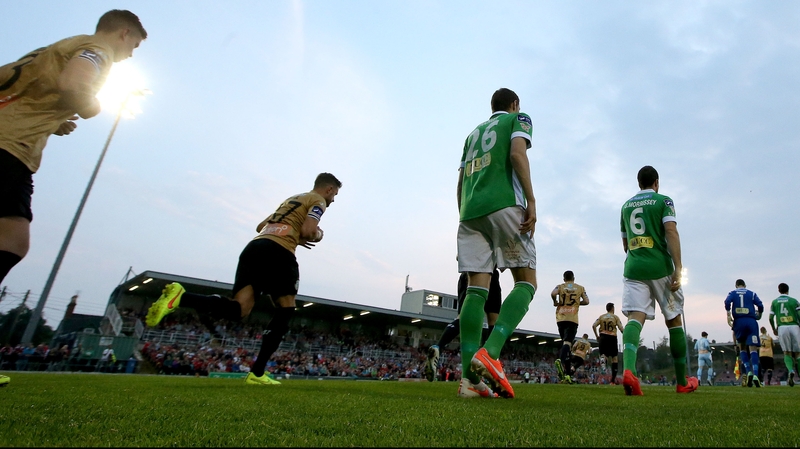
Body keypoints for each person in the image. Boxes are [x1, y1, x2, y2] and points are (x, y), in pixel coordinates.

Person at [146, 173, 342, 386]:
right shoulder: (318, 200)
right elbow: (309, 230)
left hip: (254, 248)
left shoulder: (292, 199)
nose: (333, 200)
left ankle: (182, 297)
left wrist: (296, 233)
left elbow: (261, 226)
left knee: (239, 309)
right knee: (286, 308)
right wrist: (317, 235)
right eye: (334, 195)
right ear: (329, 189)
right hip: (279, 252)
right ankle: (257, 373)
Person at [0, 10, 147, 287]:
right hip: (10, 148)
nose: (131, 54)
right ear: (124, 33)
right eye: (134, 46)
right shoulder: (98, 50)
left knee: (11, 233)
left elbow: (20, 88)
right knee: (12, 240)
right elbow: (73, 84)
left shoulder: (57, 47)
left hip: (9, 137)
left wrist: (53, 121)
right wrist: (92, 106)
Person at [455, 88, 537, 399]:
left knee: (476, 290)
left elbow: (461, 181)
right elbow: (517, 154)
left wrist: (464, 214)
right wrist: (531, 200)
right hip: (504, 205)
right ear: (514, 105)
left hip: (469, 212)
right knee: (526, 281)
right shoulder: (519, 119)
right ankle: (491, 351)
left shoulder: (472, 135)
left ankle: (468, 381)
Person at [619, 165, 698, 396]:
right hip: (660, 267)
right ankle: (682, 382)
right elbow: (671, 231)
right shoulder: (664, 201)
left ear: (638, 183)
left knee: (635, 318)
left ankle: (629, 372)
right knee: (673, 319)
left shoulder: (625, 206)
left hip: (633, 268)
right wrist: (678, 267)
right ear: (656, 183)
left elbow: (625, 244)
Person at [425, 268, 501, 382]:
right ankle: (488, 361)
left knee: (463, 317)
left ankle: (439, 347)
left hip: (466, 274)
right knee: (493, 320)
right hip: (488, 273)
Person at [551, 270, 590, 384]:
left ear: (564, 279)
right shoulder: (580, 288)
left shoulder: (560, 286)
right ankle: (560, 360)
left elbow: (553, 293)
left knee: (566, 345)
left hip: (561, 318)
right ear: (574, 278)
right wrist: (578, 303)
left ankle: (567, 375)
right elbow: (587, 301)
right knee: (567, 343)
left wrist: (555, 301)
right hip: (572, 318)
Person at [724, 279, 764, 387]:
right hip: (751, 321)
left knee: (742, 347)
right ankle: (755, 374)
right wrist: (759, 314)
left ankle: (748, 372)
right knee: (753, 348)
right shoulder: (752, 293)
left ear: (736, 285)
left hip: (738, 322)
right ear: (745, 285)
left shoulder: (732, 293)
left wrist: (728, 313)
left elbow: (727, 302)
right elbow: (760, 305)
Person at [768, 283, 800, 387]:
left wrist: (774, 328)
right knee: (798, 354)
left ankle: (791, 370)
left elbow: (770, 318)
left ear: (779, 290)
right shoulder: (794, 301)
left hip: (782, 327)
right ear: (788, 290)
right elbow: (799, 314)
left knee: (787, 352)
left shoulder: (774, 302)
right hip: (794, 326)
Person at [592, 302, 625, 384]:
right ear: (613, 309)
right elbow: (621, 328)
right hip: (612, 338)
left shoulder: (601, 317)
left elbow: (594, 325)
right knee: (614, 358)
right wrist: (625, 334)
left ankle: (603, 365)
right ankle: (612, 381)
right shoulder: (615, 317)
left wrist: (597, 336)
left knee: (604, 355)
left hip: (603, 337)